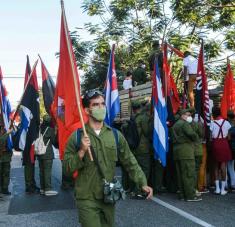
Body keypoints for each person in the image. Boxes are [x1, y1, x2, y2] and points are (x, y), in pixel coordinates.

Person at [63, 90, 152, 227]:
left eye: (103, 104)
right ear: (87, 110)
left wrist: (142, 182)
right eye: (96, 105)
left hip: (108, 196)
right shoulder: (76, 137)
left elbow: (130, 161)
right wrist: (81, 151)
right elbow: (67, 170)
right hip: (87, 197)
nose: (101, 107)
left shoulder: (116, 135)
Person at [171, 109, 201, 202]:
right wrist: (196, 137)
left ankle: (182, 194)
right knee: (189, 174)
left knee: (180, 175)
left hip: (177, 151)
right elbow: (192, 134)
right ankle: (190, 196)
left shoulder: (175, 124)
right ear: (183, 115)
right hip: (186, 151)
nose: (189, 117)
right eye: (188, 115)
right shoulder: (184, 124)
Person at [210, 107, 232, 195]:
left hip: (216, 143)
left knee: (215, 166)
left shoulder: (212, 123)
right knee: (223, 165)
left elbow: (211, 137)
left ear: (213, 114)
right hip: (224, 143)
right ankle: (223, 189)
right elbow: (229, 137)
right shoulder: (226, 123)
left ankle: (217, 188)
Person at [37, 114, 58, 196]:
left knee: (41, 171)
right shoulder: (50, 129)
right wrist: (55, 132)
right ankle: (48, 189)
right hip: (47, 153)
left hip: (39, 152)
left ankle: (42, 188)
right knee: (47, 171)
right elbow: (54, 142)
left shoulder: (39, 129)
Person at [0, 119, 13, 195]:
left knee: (6, 173)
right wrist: (7, 134)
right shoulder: (6, 131)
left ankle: (5, 188)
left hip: (7, 155)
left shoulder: (8, 129)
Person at [226, 110, 235, 191]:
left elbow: (228, 138)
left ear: (228, 117)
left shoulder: (229, 126)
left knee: (230, 166)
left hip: (231, 148)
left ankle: (232, 184)